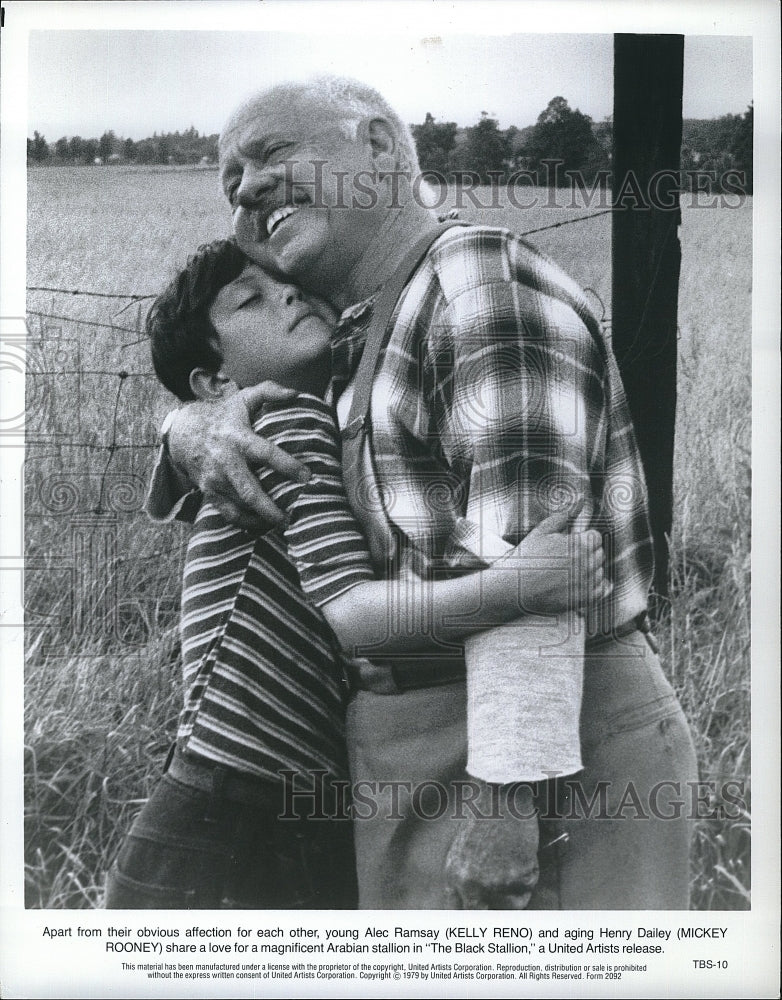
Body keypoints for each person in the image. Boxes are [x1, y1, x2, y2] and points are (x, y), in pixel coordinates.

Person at [155, 75, 698, 909]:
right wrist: (188, 425)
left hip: (540, 754)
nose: (248, 190)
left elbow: (535, 559)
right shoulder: (358, 334)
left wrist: (506, 802)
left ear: (376, 148)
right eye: (232, 183)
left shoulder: (476, 281)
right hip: (417, 752)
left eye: (270, 155)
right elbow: (244, 408)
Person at [107, 237, 606, 909]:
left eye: (283, 284)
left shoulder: (305, 420)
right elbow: (352, 615)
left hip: (241, 792)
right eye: (250, 299)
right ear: (215, 381)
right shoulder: (288, 423)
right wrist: (518, 585)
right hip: (237, 806)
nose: (286, 294)